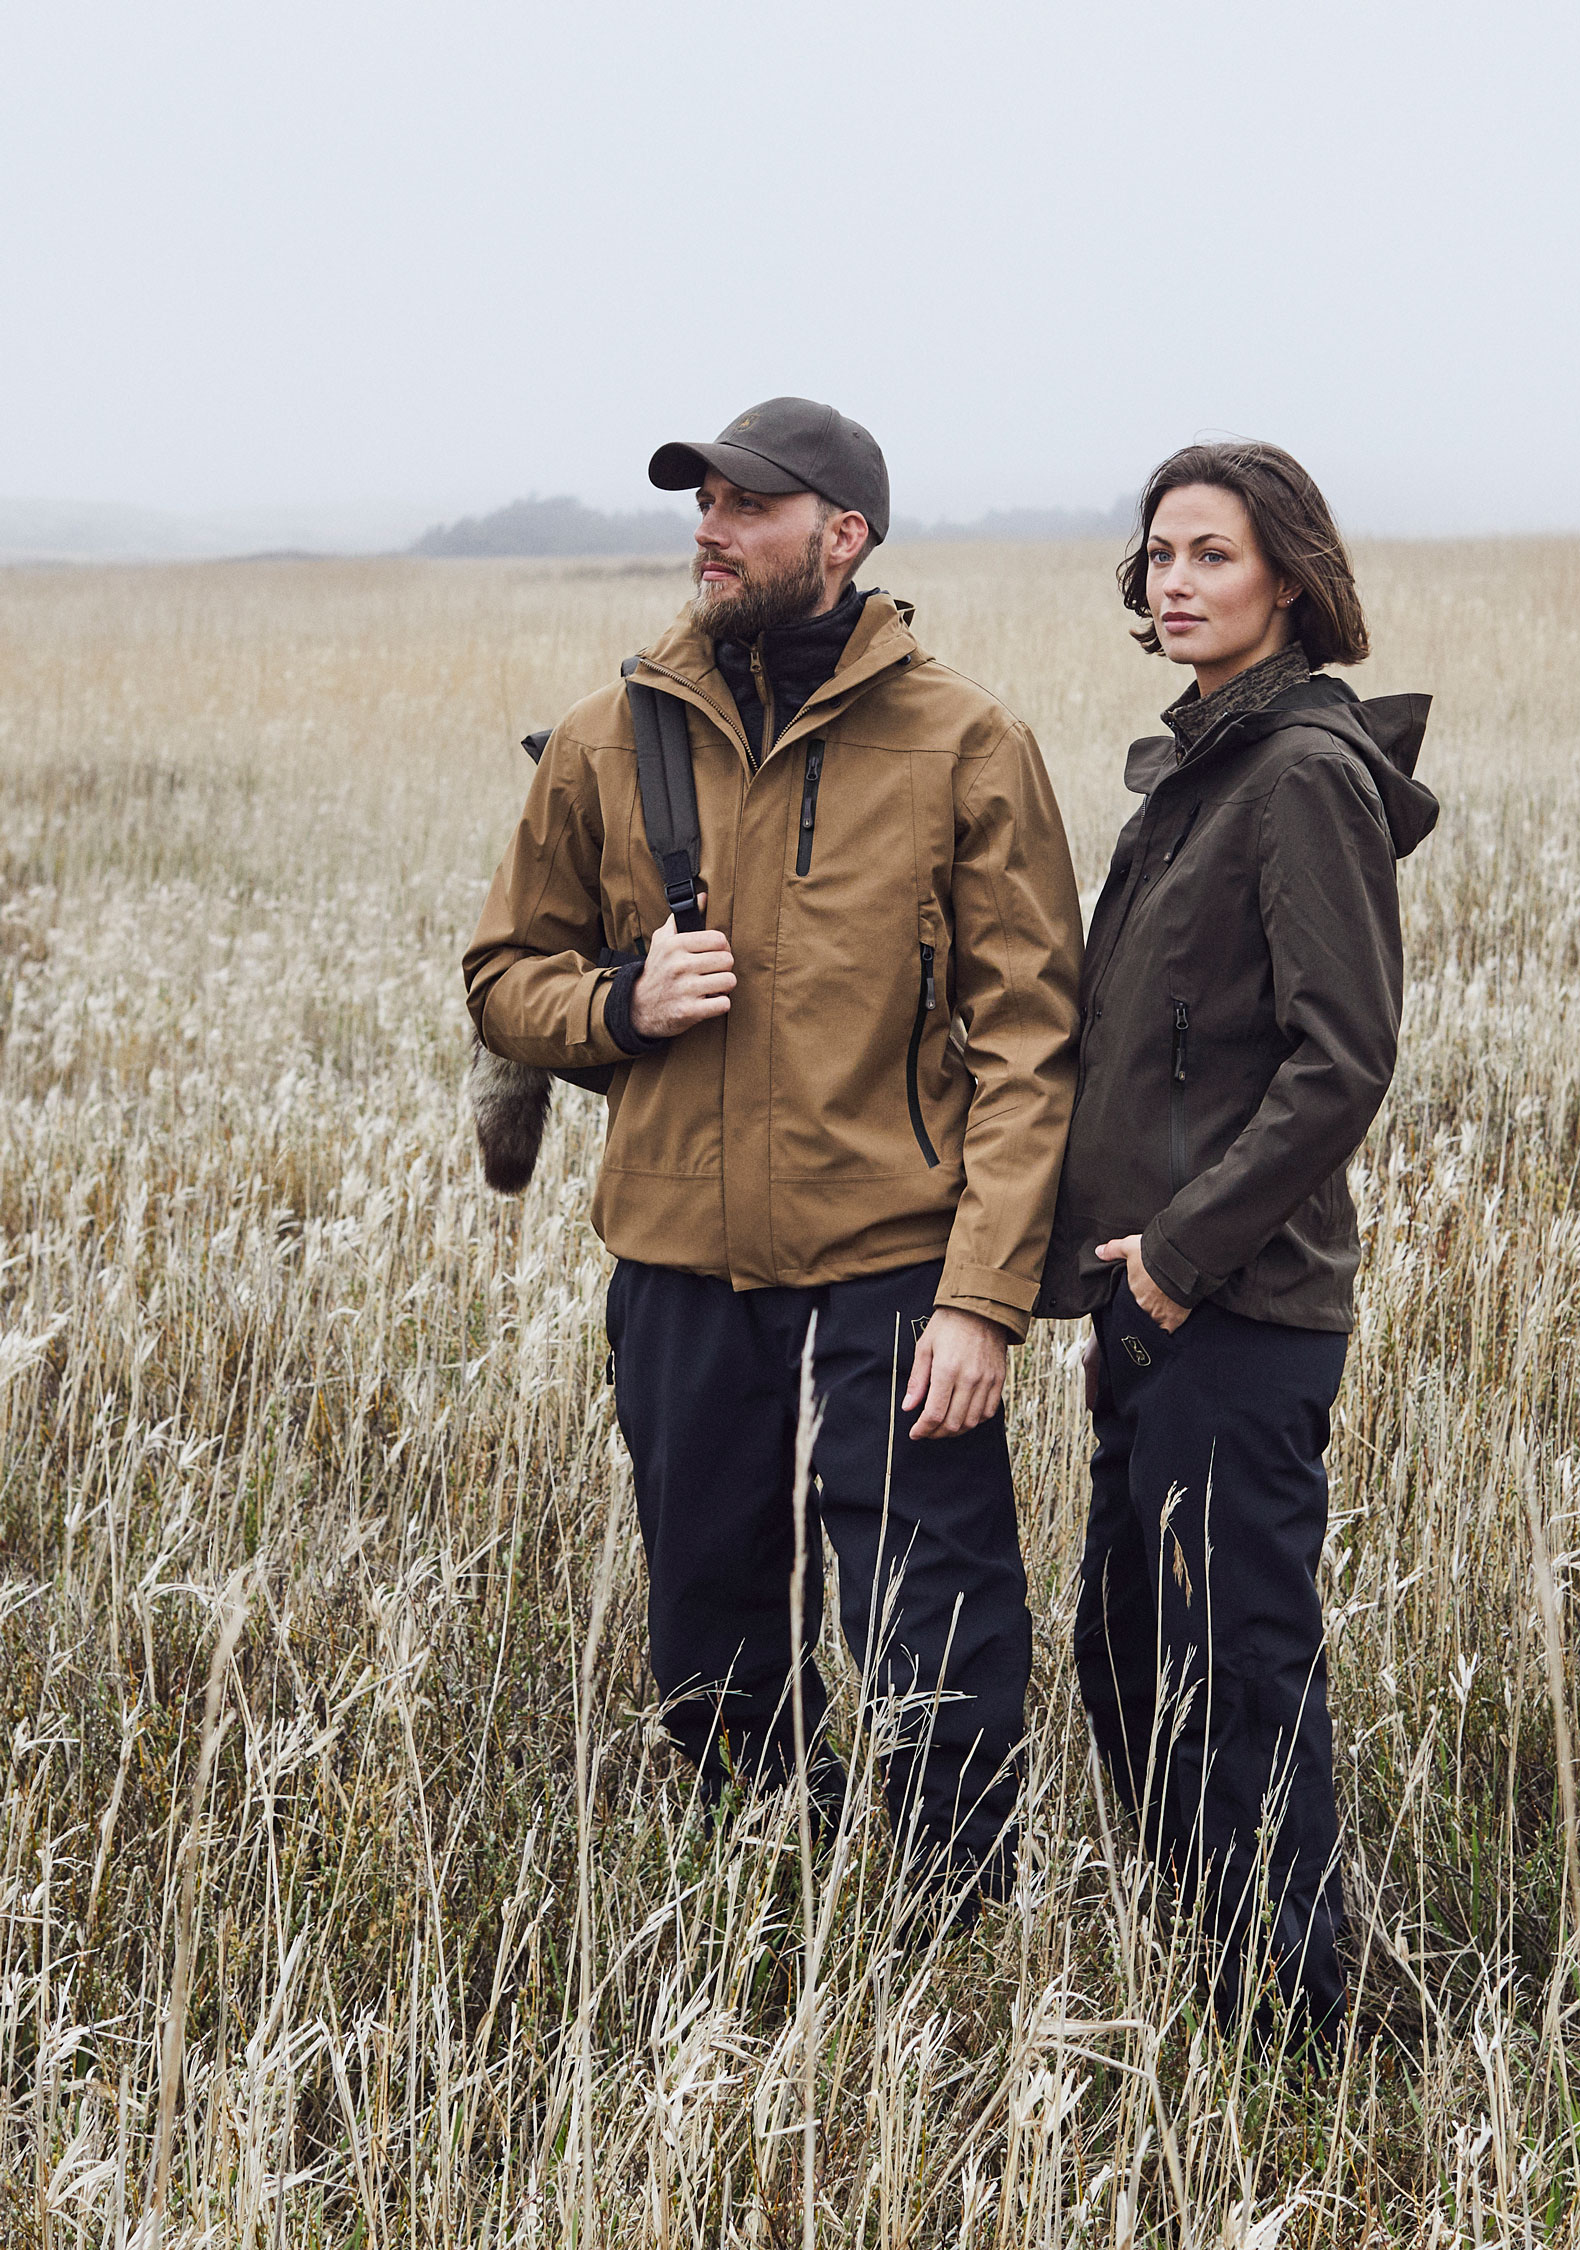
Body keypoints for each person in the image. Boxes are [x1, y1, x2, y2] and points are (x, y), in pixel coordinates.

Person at [465, 398, 1083, 1905]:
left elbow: (1031, 1043)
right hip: (677, 1257)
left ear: (844, 536)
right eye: (705, 504)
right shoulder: (613, 736)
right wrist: (619, 999)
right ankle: (769, 1886)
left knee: (937, 1617)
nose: (711, 530)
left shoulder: (966, 741)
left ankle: (955, 1921)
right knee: (706, 1622)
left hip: (894, 1258)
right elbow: (501, 973)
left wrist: (983, 1295)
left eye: (749, 506)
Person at [1037, 442, 1438, 2041]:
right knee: (1128, 1662)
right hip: (1152, 1305)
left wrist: (1173, 1258)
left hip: (1236, 1309)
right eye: (1156, 556)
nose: (1173, 579)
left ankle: (1287, 2028)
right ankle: (1229, 1975)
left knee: (1233, 1679)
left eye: (1209, 551)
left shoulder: (1298, 776)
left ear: (1286, 574)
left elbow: (1338, 1058)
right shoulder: (1197, 767)